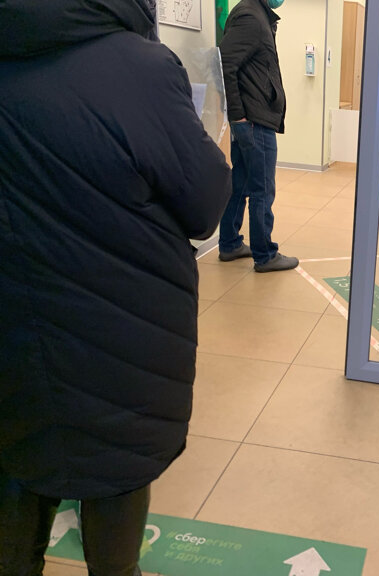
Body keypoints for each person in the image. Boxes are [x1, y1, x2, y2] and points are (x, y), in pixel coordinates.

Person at [0, 1, 231, 574]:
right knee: (116, 470)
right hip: (121, 335)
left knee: (21, 459)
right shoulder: (141, 67)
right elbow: (204, 204)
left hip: (16, 333)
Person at [217, 0, 299, 272]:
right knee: (262, 188)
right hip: (254, 120)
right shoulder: (251, 17)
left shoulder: (254, 13)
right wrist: (238, 114)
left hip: (251, 118)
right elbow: (225, 63)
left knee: (241, 182)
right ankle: (265, 255)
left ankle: (230, 244)